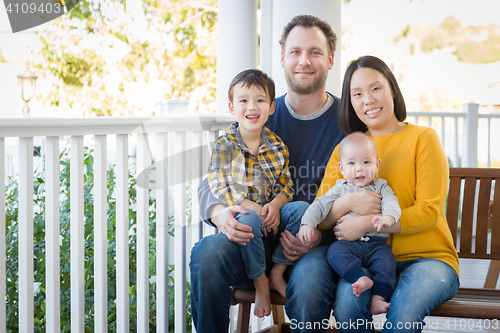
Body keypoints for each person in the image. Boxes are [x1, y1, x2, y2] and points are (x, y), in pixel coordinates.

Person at [190, 15, 350, 332]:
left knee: (308, 286)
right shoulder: (258, 110)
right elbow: (212, 179)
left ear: (330, 59)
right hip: (254, 237)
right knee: (206, 254)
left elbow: (360, 193)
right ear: (282, 58)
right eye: (295, 51)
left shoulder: (348, 123)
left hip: (312, 245)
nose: (304, 61)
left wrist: (319, 235)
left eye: (315, 52)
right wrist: (220, 213)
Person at [317, 55, 459, 332]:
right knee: (347, 304)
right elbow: (322, 217)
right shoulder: (345, 151)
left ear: (392, 90)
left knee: (403, 317)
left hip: (428, 259)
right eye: (357, 94)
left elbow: (429, 211)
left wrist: (367, 223)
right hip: (367, 259)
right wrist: (346, 202)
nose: (367, 100)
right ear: (350, 102)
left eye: (375, 88)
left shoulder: (423, 138)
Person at [207, 68, 304, 317]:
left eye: (260, 100)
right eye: (243, 101)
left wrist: (276, 204)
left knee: (302, 209)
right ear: (232, 107)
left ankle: (276, 272)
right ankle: (260, 280)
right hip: (245, 214)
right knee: (249, 220)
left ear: (271, 107)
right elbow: (219, 185)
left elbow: (286, 185)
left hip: (272, 215)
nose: (252, 107)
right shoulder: (224, 145)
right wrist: (256, 209)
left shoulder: (277, 145)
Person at [298, 132, 401, 316]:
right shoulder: (340, 187)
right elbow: (320, 205)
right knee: (335, 252)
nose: (359, 169)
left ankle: (378, 299)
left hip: (377, 246)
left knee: (387, 263)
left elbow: (391, 202)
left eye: (366, 162)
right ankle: (359, 277)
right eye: (352, 163)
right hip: (348, 244)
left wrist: (389, 218)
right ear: (342, 168)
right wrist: (307, 224)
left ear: (377, 165)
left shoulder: (381, 186)